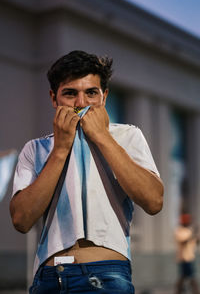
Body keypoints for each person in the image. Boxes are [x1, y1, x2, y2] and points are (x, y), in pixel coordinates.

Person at [10, 50, 164, 293]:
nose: (81, 103)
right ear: (54, 98)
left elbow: (154, 201)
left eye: (91, 93)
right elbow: (21, 219)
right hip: (49, 277)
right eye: (70, 93)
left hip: (106, 274)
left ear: (104, 97)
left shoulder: (128, 136)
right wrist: (60, 150)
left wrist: (102, 137)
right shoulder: (36, 148)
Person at [174, 213, 200, 294]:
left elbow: (196, 242)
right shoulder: (179, 230)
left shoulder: (189, 230)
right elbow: (183, 241)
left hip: (190, 257)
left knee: (184, 276)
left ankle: (178, 291)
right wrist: (192, 235)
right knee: (191, 277)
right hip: (183, 258)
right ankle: (196, 291)